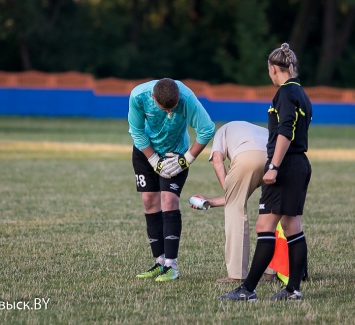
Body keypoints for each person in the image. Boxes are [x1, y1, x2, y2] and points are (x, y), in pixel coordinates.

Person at [220, 42, 312, 301]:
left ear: (273, 68)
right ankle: (293, 289)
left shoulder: (284, 93)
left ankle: (247, 289)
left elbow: (285, 131)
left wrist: (273, 166)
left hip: (285, 166)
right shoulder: (301, 93)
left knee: (265, 225)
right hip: (300, 164)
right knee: (292, 225)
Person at [128, 78, 215, 282]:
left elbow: (207, 129)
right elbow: (137, 131)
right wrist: (153, 160)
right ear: (153, 98)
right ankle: (159, 262)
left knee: (169, 201)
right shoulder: (138, 96)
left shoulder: (186, 98)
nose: (169, 113)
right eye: (163, 108)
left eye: (172, 109)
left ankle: (172, 266)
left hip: (175, 153)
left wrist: (187, 159)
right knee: (149, 201)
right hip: (145, 151)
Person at [190, 121, 272, 283]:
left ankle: (236, 274)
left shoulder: (222, 131)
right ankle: (272, 271)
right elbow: (242, 194)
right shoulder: (255, 130)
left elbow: (217, 159)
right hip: (276, 158)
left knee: (236, 210)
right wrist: (210, 202)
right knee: (273, 212)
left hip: (247, 157)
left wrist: (228, 188)